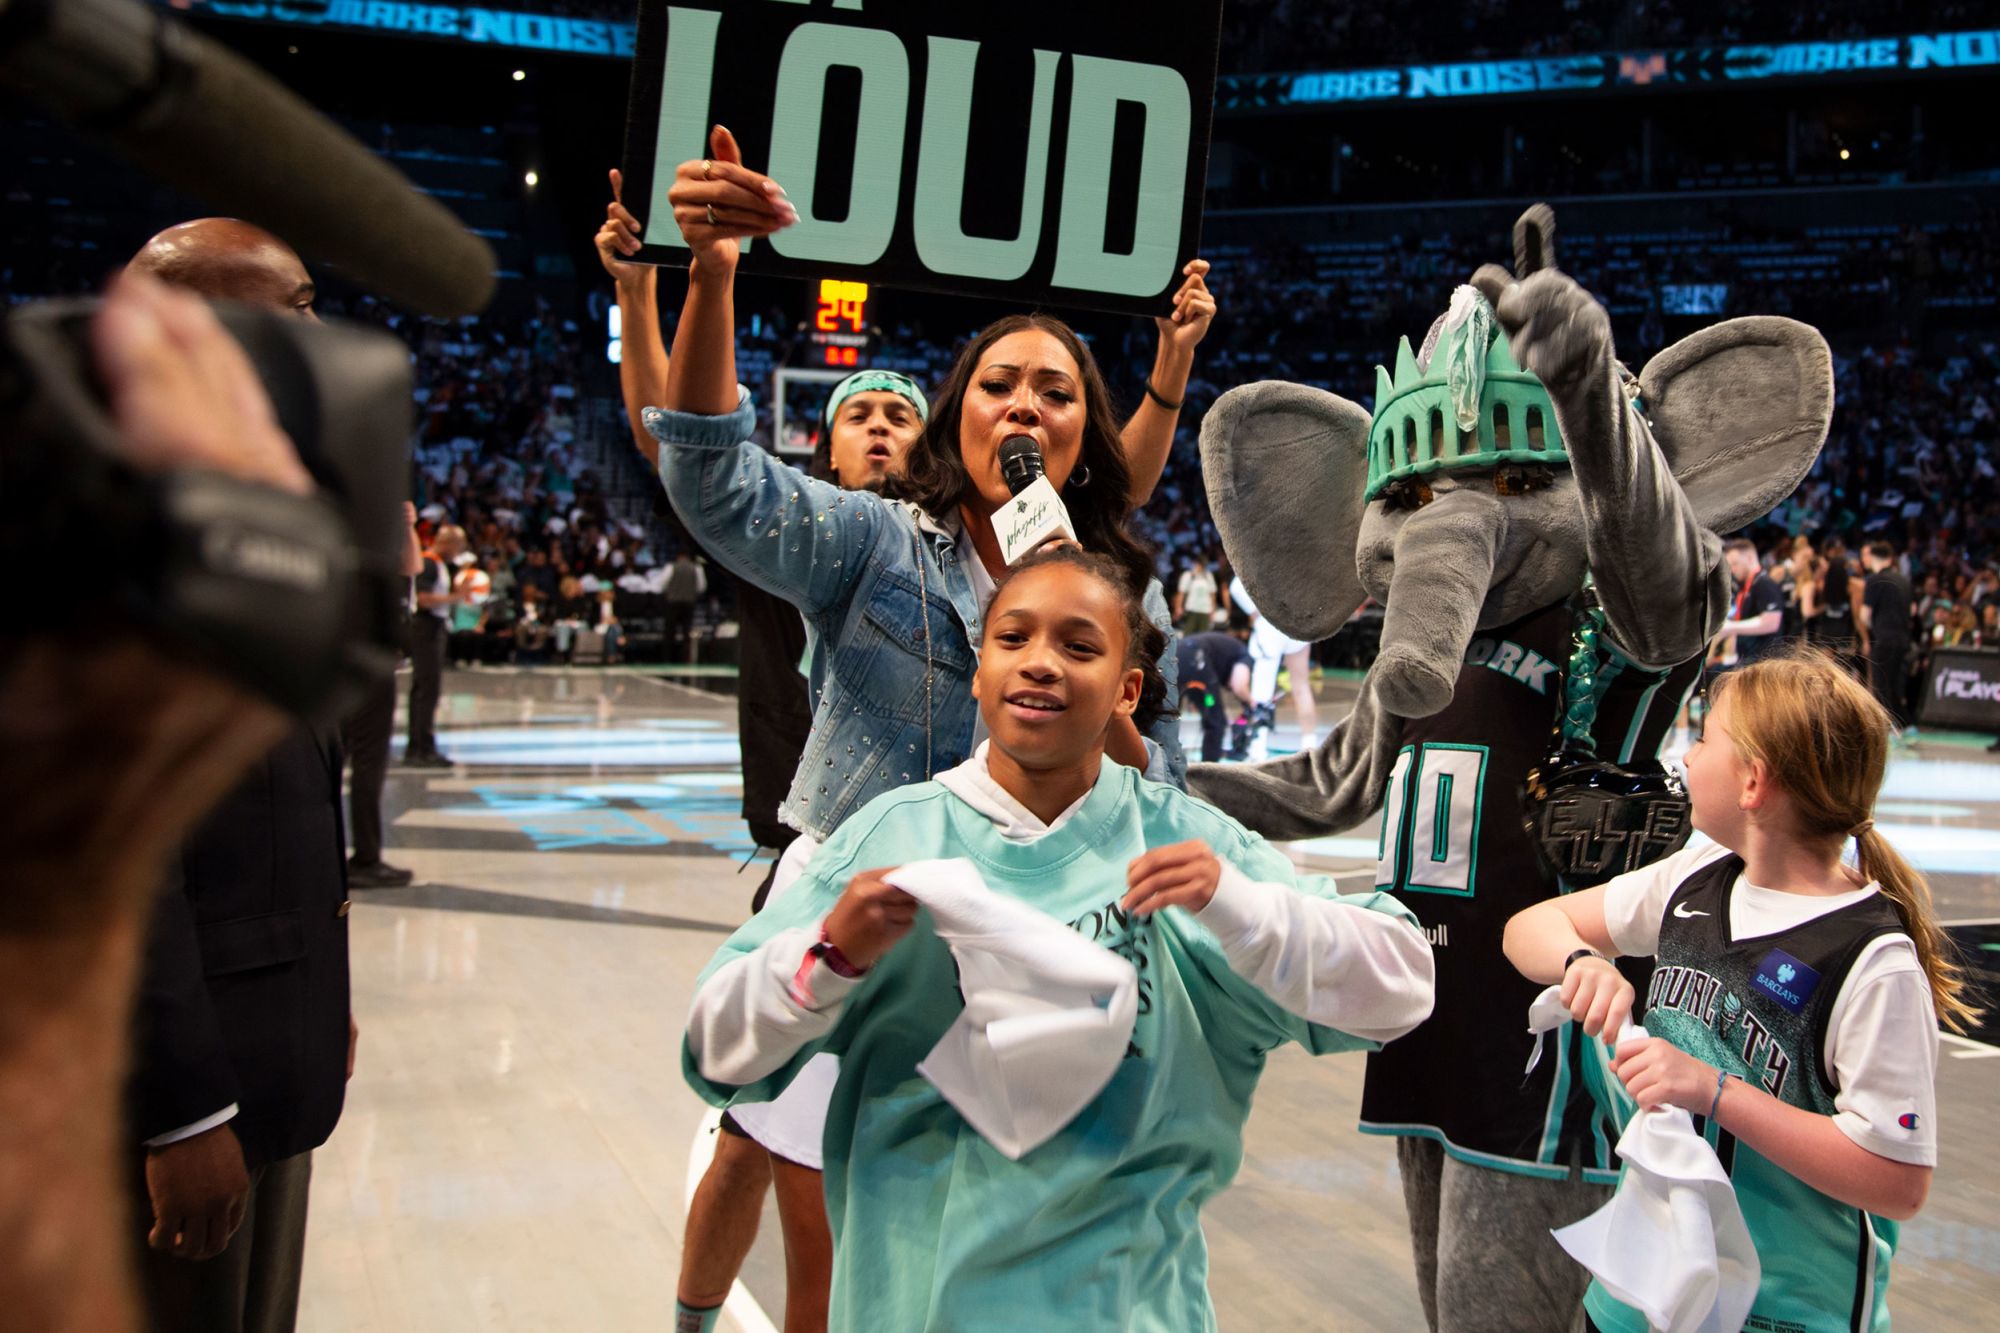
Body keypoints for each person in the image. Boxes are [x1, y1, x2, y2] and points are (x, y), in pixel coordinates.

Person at [683, 548, 1435, 1329]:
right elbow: (717, 1050)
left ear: (1126, 690)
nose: (1040, 663)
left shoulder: (1188, 849)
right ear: (977, 671)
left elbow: (1403, 986)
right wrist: (827, 960)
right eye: (1013, 638)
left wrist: (1243, 912)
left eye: (1079, 646)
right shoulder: (886, 843)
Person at [598, 174, 930, 1333]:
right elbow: (672, 438)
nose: (881, 426)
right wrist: (644, 292)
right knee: (759, 1149)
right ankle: (694, 1317)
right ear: (819, 436)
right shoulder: (778, 528)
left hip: (904, 880)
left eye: (901, 415)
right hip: (807, 865)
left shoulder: (934, 556)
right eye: (860, 413)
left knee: (804, 1161)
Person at [1502, 652, 1975, 1333]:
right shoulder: (1698, 876)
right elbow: (1528, 928)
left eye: (1702, 737)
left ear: (1754, 781)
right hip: (1639, 1297)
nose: (1686, 758)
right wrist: (1582, 960)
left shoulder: (1872, 960)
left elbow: (1897, 1181)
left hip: (1782, 1314)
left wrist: (1713, 1089)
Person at [124, 219, 355, 1333]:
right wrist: (176, 1113)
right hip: (172, 1100)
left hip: (266, 1054)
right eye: (299, 308)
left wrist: (323, 982)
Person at [343, 501, 425, 889]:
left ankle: (355, 853)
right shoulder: (366, 553)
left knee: (348, 760)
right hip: (368, 665)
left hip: (353, 664)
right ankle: (366, 857)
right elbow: (408, 568)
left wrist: (407, 526)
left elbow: (413, 569)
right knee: (367, 763)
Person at [1225, 576, 1317, 761]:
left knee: (1262, 691)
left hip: (1269, 625)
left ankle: (1258, 748)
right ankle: (1310, 745)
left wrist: (1255, 611)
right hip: (1297, 623)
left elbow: (1236, 587)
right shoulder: (1298, 558)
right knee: (1301, 687)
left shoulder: (1262, 554)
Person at [403, 522, 465, 767]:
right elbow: (424, 599)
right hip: (426, 629)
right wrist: (456, 597)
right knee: (425, 690)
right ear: (448, 542)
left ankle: (422, 744)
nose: (460, 550)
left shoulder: (438, 564)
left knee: (428, 690)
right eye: (459, 545)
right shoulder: (428, 562)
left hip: (433, 628)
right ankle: (419, 748)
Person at [1859, 539, 1914, 730]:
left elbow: (1864, 615)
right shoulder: (1903, 580)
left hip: (1884, 638)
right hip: (1903, 638)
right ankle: (1905, 724)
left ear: (1873, 557)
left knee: (1881, 686)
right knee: (1894, 685)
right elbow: (1912, 611)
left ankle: (1884, 727)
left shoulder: (1875, 580)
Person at [1176, 627, 1252, 763]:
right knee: (1216, 722)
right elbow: (1239, 685)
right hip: (1196, 660)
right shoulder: (1244, 655)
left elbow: (1207, 697)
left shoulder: (1226, 651)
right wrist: (1251, 702)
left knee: (1167, 716)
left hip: (1178, 656)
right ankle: (1208, 772)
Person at [1717, 537, 1786, 669]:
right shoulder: (1745, 586)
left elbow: (1771, 623)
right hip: (1749, 659)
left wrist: (1730, 627)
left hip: (1765, 663)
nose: (1732, 570)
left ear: (1749, 558)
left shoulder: (1764, 584)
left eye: (1735, 564)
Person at [1173, 553, 1219, 633]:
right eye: (1198, 563)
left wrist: (1213, 610)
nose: (1200, 566)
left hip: (1205, 611)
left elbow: (1212, 594)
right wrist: (1178, 608)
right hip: (1191, 610)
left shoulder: (1208, 576)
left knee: (1204, 637)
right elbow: (1181, 593)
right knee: (1189, 636)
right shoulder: (1188, 575)